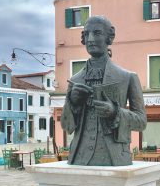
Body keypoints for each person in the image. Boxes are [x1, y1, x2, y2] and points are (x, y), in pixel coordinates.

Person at [61, 16, 147, 166]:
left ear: (110, 37)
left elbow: (141, 122)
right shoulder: (75, 80)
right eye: (87, 34)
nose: (91, 39)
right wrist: (73, 103)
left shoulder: (128, 77)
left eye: (97, 33)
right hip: (79, 158)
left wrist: (115, 112)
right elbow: (66, 125)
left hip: (115, 157)